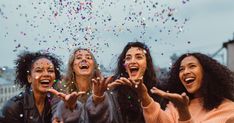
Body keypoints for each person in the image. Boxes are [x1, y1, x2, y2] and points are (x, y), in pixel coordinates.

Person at [143, 52, 234, 123]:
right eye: (181, 69)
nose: (185, 72)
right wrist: (142, 94)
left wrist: (183, 111)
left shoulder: (229, 110)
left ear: (207, 72)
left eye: (192, 66)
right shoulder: (175, 107)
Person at [90, 41, 162, 123]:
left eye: (138, 57)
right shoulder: (114, 91)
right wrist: (98, 98)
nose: (132, 61)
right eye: (128, 58)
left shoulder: (159, 90)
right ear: (124, 66)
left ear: (147, 64)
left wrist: (144, 96)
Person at [49, 48, 111, 123]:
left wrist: (99, 98)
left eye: (88, 57)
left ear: (94, 67)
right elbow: (56, 113)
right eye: (78, 57)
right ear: (72, 67)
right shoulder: (61, 87)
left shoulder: (103, 89)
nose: (84, 59)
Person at [0, 51, 62, 123]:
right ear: (29, 78)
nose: (46, 74)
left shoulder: (58, 104)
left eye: (50, 70)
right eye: (39, 70)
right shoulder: (13, 108)